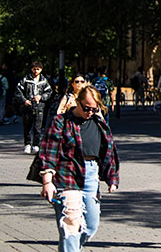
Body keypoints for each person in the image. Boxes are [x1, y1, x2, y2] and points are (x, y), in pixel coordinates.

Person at [36, 86, 121, 252]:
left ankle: (69, 247)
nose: (89, 112)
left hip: (91, 174)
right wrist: (47, 182)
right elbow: (48, 152)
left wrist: (112, 177)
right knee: (71, 223)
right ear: (77, 102)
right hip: (66, 175)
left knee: (91, 225)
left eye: (94, 109)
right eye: (86, 108)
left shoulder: (99, 122)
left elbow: (109, 151)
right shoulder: (61, 122)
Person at [18, 61, 55, 154]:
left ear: (41, 70)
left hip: (39, 107)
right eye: (34, 69)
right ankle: (27, 144)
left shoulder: (44, 81)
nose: (36, 71)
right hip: (27, 107)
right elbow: (18, 92)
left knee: (38, 127)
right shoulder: (25, 80)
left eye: (38, 69)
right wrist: (24, 100)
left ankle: (36, 145)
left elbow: (49, 92)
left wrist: (41, 97)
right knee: (27, 126)